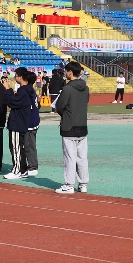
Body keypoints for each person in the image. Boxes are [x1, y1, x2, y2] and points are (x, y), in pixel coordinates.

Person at [54, 61, 90, 194]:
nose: (65, 73)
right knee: (82, 157)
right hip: (82, 125)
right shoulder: (86, 88)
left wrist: (65, 115)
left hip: (69, 126)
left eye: (66, 71)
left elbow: (59, 106)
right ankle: (83, 184)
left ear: (70, 72)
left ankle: (69, 184)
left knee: (70, 157)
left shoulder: (67, 89)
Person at [4, 69, 38, 180]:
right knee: (19, 147)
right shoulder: (28, 90)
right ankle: (22, 169)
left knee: (16, 147)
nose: (15, 77)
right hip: (21, 122)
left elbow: (12, 102)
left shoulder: (23, 91)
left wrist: (8, 89)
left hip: (17, 123)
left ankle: (17, 170)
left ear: (20, 77)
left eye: (16, 75)